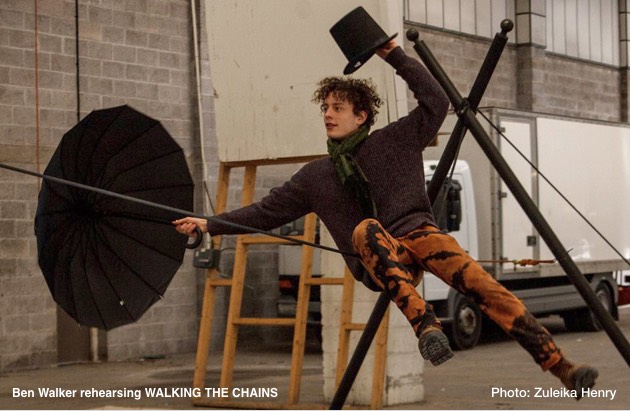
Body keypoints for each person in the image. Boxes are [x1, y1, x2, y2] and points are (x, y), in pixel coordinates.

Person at [174, 41, 598, 397]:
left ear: (361, 116)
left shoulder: (397, 139)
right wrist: (209, 224)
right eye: (325, 107)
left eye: (337, 107)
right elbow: (264, 213)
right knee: (365, 229)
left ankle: (562, 368)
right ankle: (425, 325)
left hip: (421, 236)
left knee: (484, 286)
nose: (327, 114)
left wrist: (393, 53)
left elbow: (436, 101)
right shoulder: (316, 177)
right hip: (376, 258)